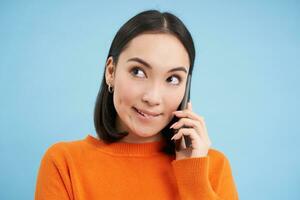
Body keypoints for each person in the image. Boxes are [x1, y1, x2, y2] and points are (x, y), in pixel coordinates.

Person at [35, 9, 239, 200]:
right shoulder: (64, 164)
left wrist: (193, 176)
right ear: (111, 72)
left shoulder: (213, 167)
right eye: (138, 72)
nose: (153, 97)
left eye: (173, 79)